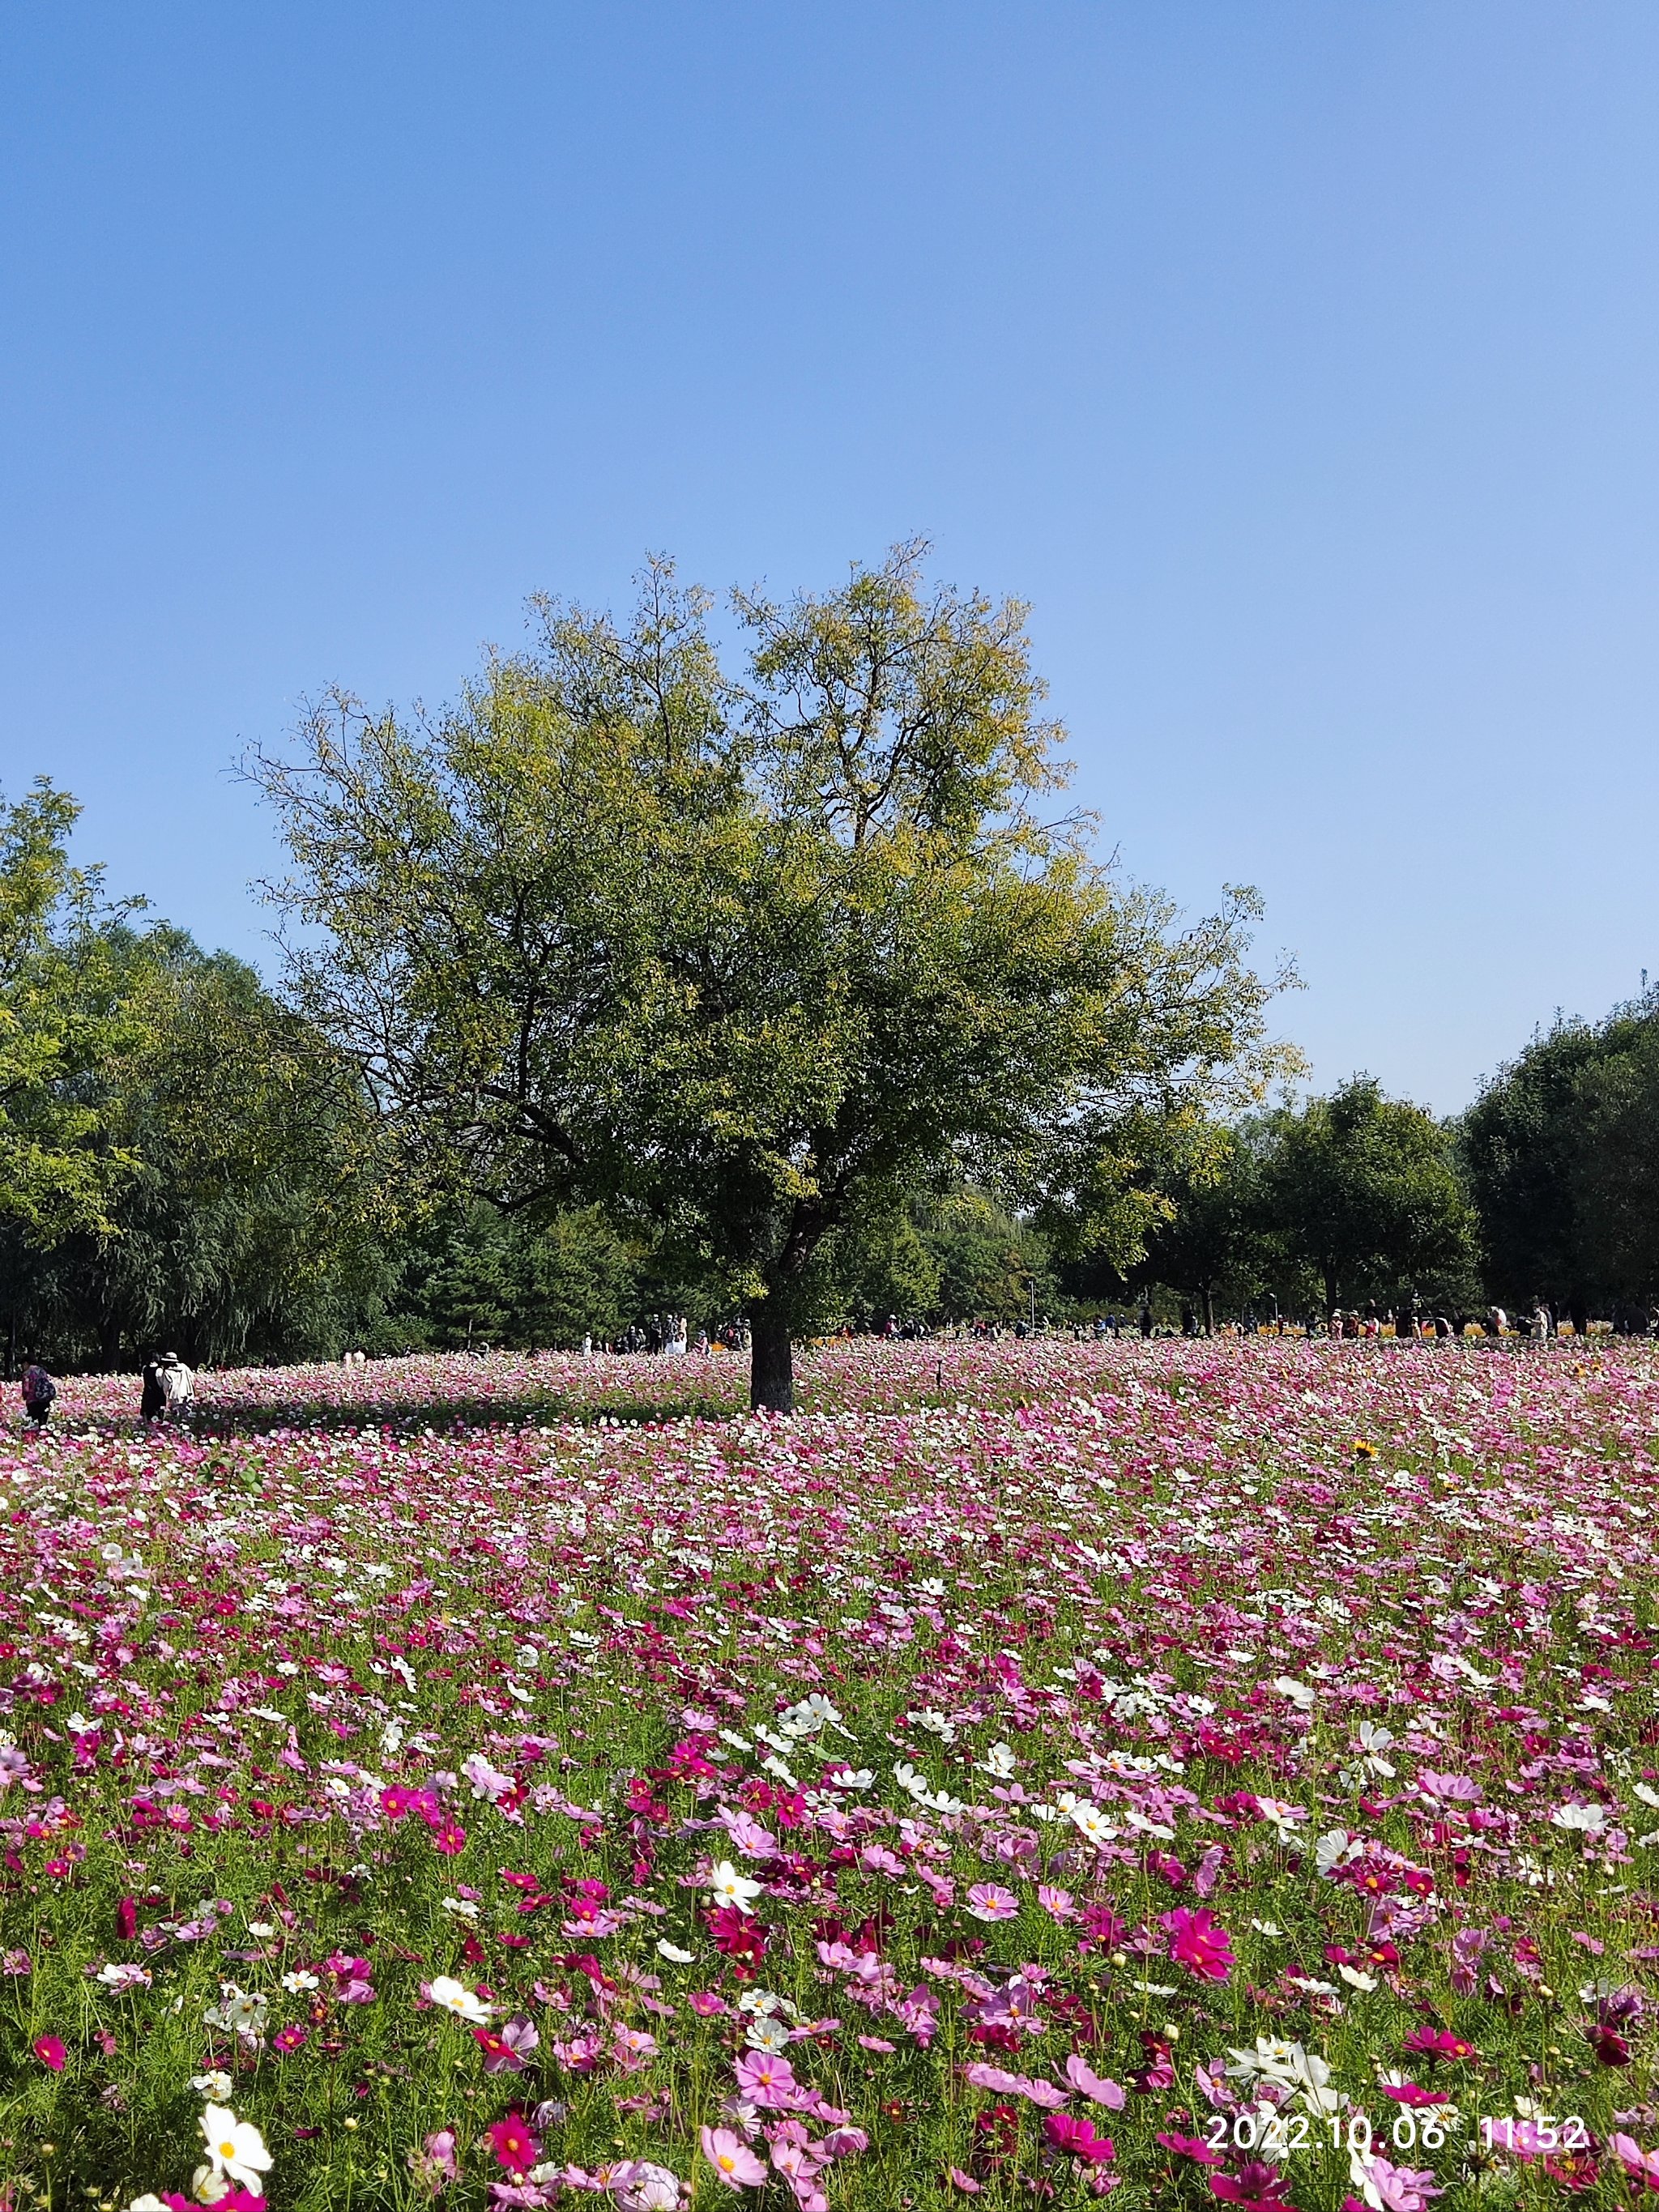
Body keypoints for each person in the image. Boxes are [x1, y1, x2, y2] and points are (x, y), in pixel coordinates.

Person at [156, 1351, 195, 1423]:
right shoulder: (185, 1367)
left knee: (177, 1417)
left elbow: (167, 1386)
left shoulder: (167, 1372)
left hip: (176, 1397)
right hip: (188, 1394)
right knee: (187, 1416)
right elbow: (192, 1378)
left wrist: (167, 1396)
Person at [21, 1361, 56, 1426]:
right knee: (42, 1424)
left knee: (33, 1423)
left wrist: (25, 1396)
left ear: (26, 1363)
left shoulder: (27, 1373)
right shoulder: (42, 1370)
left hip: (33, 1401)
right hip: (45, 1399)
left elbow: (26, 1389)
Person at [140, 1357, 166, 1421]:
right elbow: (160, 1384)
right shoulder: (159, 1370)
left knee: (147, 1415)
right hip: (157, 1396)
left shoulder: (145, 1368)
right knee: (157, 1415)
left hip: (147, 1394)